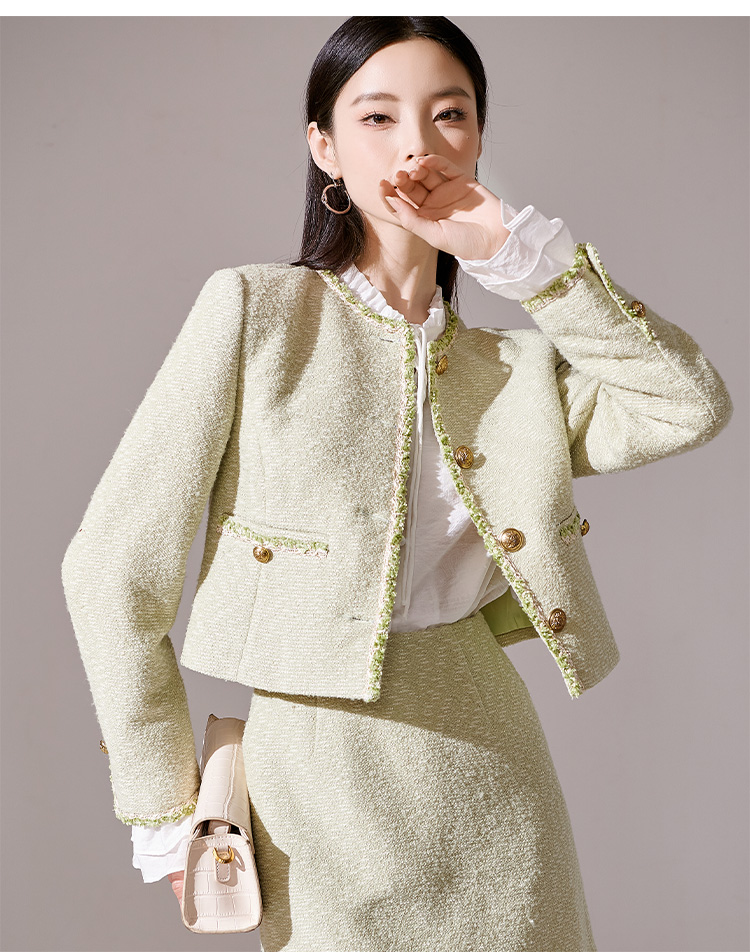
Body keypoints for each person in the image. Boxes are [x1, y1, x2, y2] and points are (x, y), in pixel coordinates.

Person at [61, 16, 733, 952]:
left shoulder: (515, 368)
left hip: (495, 763)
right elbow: (111, 567)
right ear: (324, 147)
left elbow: (687, 404)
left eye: (449, 114)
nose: (417, 145)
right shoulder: (256, 312)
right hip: (314, 773)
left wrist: (525, 260)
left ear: (478, 137)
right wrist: (163, 804)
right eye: (377, 117)